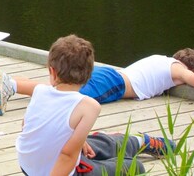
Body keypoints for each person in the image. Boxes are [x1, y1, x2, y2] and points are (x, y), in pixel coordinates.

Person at [15, 34, 176, 176]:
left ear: (52, 71)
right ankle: (133, 142)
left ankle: (139, 142)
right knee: (135, 166)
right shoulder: (89, 107)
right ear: (88, 75)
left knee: (93, 145)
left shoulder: (39, 91)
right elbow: (67, 155)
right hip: (65, 171)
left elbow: (27, 128)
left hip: (29, 167)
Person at [0, 46, 194, 116]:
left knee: (58, 88)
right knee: (62, 95)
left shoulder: (162, 60)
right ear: (193, 68)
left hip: (109, 75)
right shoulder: (178, 69)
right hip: (114, 83)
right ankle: (6, 83)